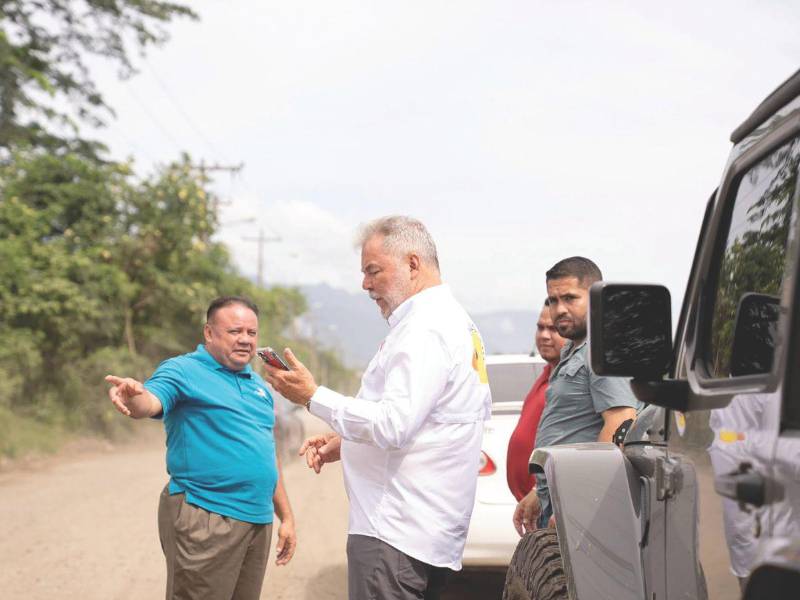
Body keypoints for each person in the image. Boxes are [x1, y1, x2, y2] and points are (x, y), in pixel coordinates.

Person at [262, 216, 492, 600]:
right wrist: (349, 441)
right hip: (421, 530)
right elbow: (429, 421)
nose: (366, 285)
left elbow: (393, 425)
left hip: (396, 533)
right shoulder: (451, 321)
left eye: (373, 271)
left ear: (413, 264)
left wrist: (311, 396)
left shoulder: (426, 328)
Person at [104, 296, 296, 600]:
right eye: (235, 331)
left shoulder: (259, 386)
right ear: (209, 333)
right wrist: (134, 397)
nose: (245, 340)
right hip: (206, 514)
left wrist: (285, 517)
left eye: (251, 333)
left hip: (258, 522)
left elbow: (268, 455)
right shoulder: (183, 370)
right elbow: (151, 400)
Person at [515, 257, 641, 531]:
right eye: (552, 300)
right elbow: (574, 427)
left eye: (570, 298)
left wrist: (583, 503)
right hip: (559, 496)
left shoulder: (603, 348)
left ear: (597, 296)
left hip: (583, 506)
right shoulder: (575, 350)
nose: (559, 309)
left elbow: (620, 425)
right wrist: (540, 492)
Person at [507, 299, 565, 535]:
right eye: (540, 327)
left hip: (550, 505)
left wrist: (540, 490)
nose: (544, 335)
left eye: (553, 329)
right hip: (535, 509)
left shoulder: (570, 384)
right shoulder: (547, 373)